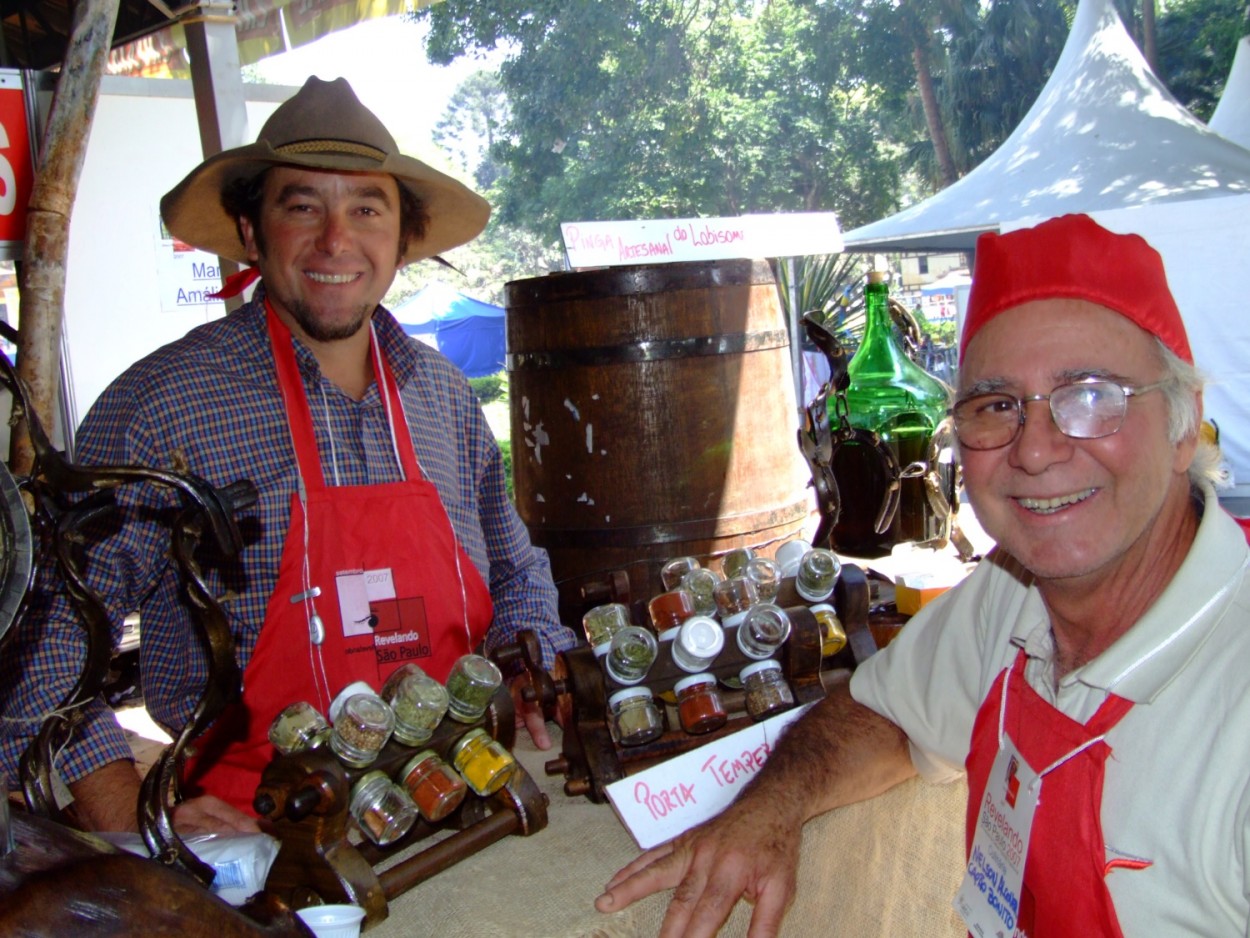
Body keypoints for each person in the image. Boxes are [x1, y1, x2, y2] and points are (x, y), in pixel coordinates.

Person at [596, 213, 1250, 936]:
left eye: (1090, 396)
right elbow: (883, 713)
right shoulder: (1010, 595)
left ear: (1186, 423)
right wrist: (770, 807)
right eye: (997, 405)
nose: (1035, 450)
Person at [0, 77, 576, 834]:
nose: (336, 241)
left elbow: (513, 565)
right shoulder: (161, 408)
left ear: (402, 238)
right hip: (259, 829)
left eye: (366, 209)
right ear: (249, 231)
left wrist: (537, 656)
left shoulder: (443, 397)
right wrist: (135, 815)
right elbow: (42, 638)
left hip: (465, 793)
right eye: (302, 206)